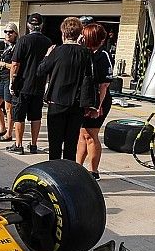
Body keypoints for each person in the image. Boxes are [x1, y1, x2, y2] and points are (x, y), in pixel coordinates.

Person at [36, 17, 94, 161]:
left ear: (63, 33)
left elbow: (40, 71)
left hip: (57, 101)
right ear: (80, 33)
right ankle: (69, 171)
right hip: (76, 103)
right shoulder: (85, 53)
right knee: (71, 144)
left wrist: (47, 56)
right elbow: (90, 78)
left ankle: (54, 170)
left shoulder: (56, 51)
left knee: (55, 144)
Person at [8, 13, 51, 154]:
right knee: (36, 116)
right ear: (41, 25)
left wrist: (12, 82)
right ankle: (33, 144)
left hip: (23, 84)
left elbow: (15, 64)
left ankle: (19, 144)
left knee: (19, 116)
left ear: (28, 25)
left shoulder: (23, 40)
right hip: (39, 84)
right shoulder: (48, 42)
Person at [77, 23, 113, 180]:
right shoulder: (85, 52)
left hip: (99, 99)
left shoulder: (103, 55)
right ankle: (78, 166)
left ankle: (94, 170)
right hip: (85, 99)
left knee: (91, 134)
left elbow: (104, 85)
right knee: (82, 134)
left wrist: (97, 106)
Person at [0, 22, 17, 141]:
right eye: (6, 32)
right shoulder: (7, 46)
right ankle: (2, 129)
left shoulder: (16, 47)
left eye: (10, 32)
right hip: (3, 78)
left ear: (15, 33)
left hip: (10, 79)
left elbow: (16, 65)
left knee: (8, 108)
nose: (8, 34)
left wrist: (4, 64)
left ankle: (9, 134)